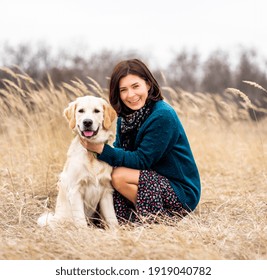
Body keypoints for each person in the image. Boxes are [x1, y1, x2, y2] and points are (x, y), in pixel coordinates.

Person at [80, 58, 201, 224]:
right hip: (145, 179)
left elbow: (142, 160)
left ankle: (161, 218)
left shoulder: (162, 116)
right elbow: (120, 150)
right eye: (123, 90)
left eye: (135, 86)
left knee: (118, 176)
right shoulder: (126, 117)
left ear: (148, 85)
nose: (130, 95)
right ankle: (137, 216)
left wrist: (102, 149)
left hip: (179, 190)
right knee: (99, 213)